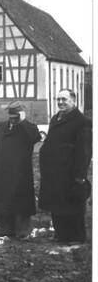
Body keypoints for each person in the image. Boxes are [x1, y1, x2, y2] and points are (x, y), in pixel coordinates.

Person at [39, 89, 92, 244]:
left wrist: (80, 176)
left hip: (71, 172)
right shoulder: (56, 118)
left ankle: (76, 237)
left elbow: (85, 150)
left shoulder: (82, 121)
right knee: (57, 204)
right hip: (55, 172)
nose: (61, 102)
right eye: (58, 99)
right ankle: (61, 234)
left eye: (64, 99)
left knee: (73, 205)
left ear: (73, 101)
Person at [0, 101, 41, 238]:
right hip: (2, 170)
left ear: (21, 115)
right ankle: (6, 230)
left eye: (16, 117)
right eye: (11, 117)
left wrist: (23, 121)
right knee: (4, 200)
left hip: (20, 172)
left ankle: (23, 231)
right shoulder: (2, 127)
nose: (13, 120)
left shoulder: (29, 127)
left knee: (21, 202)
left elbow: (35, 138)